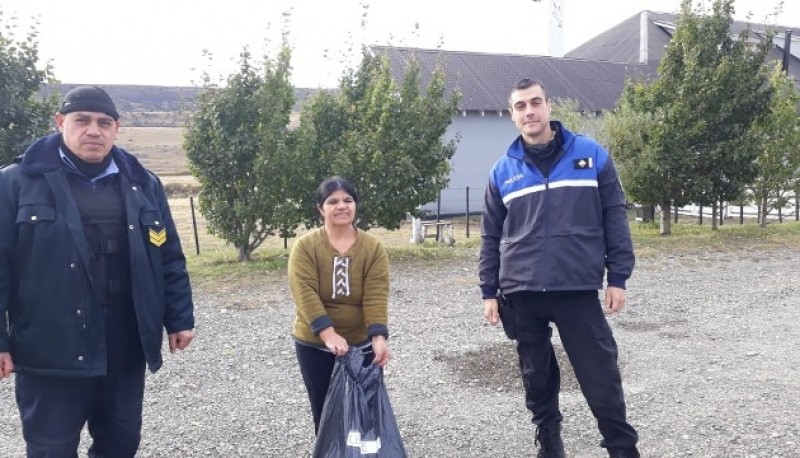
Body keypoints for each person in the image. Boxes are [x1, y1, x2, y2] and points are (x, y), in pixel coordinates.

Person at [0, 85, 195, 457]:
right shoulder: (14, 183)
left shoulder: (143, 183)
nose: (94, 130)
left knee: (120, 445)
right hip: (50, 348)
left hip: (124, 343)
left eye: (104, 122)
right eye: (82, 120)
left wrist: (179, 317)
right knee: (50, 449)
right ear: (60, 123)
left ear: (116, 128)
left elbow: (168, 255)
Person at [479, 78, 640, 458]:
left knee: (600, 374)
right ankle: (549, 442)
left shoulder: (591, 155)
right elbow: (489, 236)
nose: (529, 111)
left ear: (549, 107)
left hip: (576, 288)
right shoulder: (502, 171)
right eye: (521, 106)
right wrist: (488, 290)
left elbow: (614, 216)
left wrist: (618, 277)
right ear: (512, 115)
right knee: (536, 375)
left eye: (535, 103)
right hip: (521, 292)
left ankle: (622, 448)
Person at [289, 176, 392, 434]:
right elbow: (304, 292)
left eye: (348, 200)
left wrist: (378, 337)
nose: (341, 206)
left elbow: (375, 293)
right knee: (324, 409)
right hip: (314, 345)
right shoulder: (306, 246)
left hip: (361, 342)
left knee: (364, 407)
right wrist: (328, 333)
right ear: (320, 208)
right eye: (332, 201)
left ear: (355, 205)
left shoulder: (372, 247)